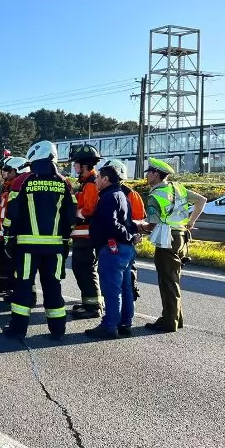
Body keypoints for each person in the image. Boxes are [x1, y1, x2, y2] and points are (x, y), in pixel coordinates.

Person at [3, 140, 77, 341]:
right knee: (53, 286)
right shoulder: (64, 183)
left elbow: (12, 213)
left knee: (23, 287)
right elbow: (72, 216)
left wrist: (8, 236)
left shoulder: (22, 182)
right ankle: (58, 330)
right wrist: (65, 238)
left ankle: (18, 330)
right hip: (55, 248)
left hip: (27, 247)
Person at [138, 158, 207, 332]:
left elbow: (151, 225)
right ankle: (176, 317)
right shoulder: (178, 188)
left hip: (166, 240)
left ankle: (169, 322)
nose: (147, 176)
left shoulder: (155, 195)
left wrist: (139, 226)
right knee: (173, 280)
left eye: (149, 173)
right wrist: (190, 222)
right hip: (182, 237)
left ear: (155, 174)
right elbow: (201, 200)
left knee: (167, 281)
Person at [84, 161, 138, 339]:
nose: (96, 180)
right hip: (125, 249)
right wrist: (129, 237)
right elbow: (128, 223)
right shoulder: (121, 194)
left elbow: (112, 224)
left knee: (111, 289)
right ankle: (125, 323)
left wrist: (125, 237)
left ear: (106, 179)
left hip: (112, 247)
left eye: (98, 177)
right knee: (125, 287)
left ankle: (110, 325)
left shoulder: (108, 197)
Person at [97, 159, 146, 300]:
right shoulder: (117, 193)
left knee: (126, 274)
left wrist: (131, 234)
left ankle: (128, 298)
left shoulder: (129, 194)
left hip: (122, 240)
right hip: (116, 240)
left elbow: (138, 220)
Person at [69, 144, 102, 319]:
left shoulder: (90, 184)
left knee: (85, 269)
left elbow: (89, 210)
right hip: (83, 236)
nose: (74, 167)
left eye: (76, 164)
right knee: (82, 269)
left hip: (86, 236)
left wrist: (72, 214)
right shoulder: (86, 183)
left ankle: (93, 307)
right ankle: (89, 302)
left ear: (84, 165)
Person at [0, 156, 29, 299]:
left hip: (14, 232)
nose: (4, 172)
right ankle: (5, 284)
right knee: (4, 260)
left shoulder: (19, 186)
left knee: (14, 263)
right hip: (3, 230)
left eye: (7, 170)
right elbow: (0, 206)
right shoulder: (6, 185)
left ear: (17, 170)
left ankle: (15, 290)